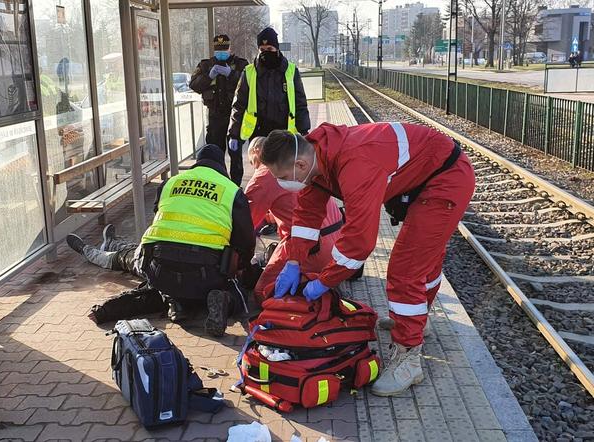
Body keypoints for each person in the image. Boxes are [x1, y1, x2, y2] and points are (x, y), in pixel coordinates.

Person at [260, 123, 475, 396]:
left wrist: (325, 281)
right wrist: (293, 262)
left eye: (281, 176)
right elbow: (306, 217)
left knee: (406, 269)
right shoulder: (317, 158)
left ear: (300, 165)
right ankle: (419, 319)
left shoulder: (356, 162)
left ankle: (409, 358)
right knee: (423, 258)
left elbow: (359, 243)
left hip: (446, 179)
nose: (281, 182)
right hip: (426, 174)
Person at [136, 144, 255, 337]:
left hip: (159, 270)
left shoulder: (170, 183)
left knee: (178, 276)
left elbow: (159, 214)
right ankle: (225, 300)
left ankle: (177, 303)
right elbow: (245, 241)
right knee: (238, 293)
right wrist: (241, 267)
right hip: (207, 274)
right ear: (221, 167)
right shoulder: (231, 190)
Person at [244, 137, 348, 304]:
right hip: (337, 244)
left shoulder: (264, 174)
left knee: (262, 292)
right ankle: (324, 279)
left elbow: (245, 222)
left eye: (252, 162)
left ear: (257, 153)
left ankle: (311, 291)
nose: (254, 167)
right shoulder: (301, 165)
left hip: (313, 248)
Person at [227, 27, 310, 186]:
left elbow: (300, 102)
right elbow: (238, 105)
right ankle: (264, 203)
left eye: (270, 49)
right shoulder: (249, 72)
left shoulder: (291, 71)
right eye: (262, 49)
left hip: (284, 132)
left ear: (277, 49)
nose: (266, 52)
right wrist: (233, 133)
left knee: (283, 171)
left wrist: (304, 130)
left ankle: (282, 203)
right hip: (259, 132)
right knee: (262, 173)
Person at [189, 35, 248, 180]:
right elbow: (194, 85)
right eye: (218, 50)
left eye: (224, 49)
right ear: (214, 49)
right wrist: (209, 76)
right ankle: (218, 181)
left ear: (230, 48)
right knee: (214, 153)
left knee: (235, 154)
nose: (221, 52)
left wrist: (232, 74)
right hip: (215, 116)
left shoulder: (240, 64)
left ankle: (235, 185)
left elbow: (249, 84)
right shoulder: (205, 65)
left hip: (235, 116)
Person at [66, 224, 143, 278]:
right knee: (135, 249)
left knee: (112, 259)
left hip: (145, 264)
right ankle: (111, 245)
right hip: (149, 255)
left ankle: (84, 250)